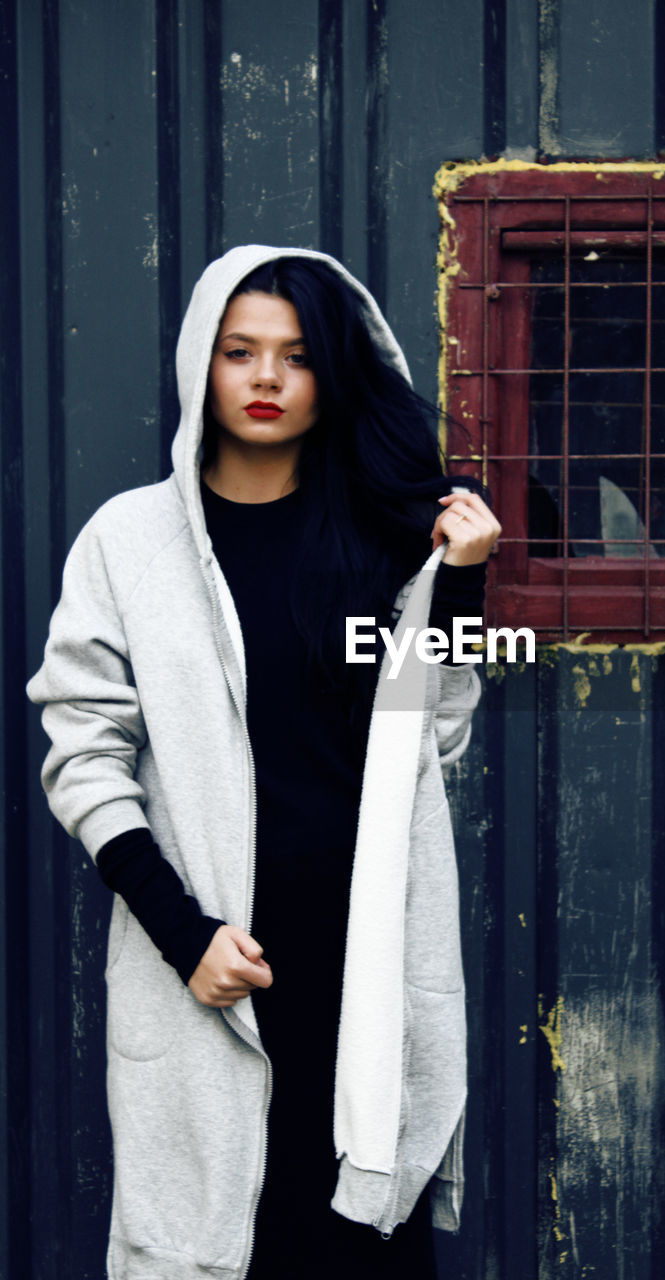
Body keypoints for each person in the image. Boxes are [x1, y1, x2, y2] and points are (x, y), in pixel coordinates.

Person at [26, 245, 500, 1280]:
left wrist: (457, 588)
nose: (266, 378)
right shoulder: (128, 541)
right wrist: (182, 931)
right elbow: (83, 754)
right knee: (212, 1239)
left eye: (294, 355)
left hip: (362, 954)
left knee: (364, 1237)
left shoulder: (384, 538)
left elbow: (437, 734)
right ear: (204, 362)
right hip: (210, 960)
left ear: (333, 371)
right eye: (240, 351)